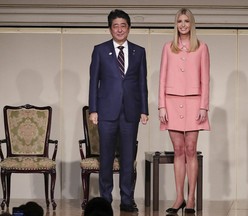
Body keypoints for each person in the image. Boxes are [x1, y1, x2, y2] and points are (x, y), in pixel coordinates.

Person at [88, 9, 149, 213]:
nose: (120, 29)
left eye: (123, 25)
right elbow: (93, 82)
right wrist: (93, 109)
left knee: (127, 158)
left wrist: (144, 110)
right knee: (105, 158)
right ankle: (105, 199)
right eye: (116, 26)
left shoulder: (139, 51)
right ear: (110, 28)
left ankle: (126, 199)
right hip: (106, 112)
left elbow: (142, 82)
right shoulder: (99, 50)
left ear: (129, 28)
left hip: (131, 112)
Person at [158, 8, 210, 214]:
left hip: (194, 103)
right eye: (179, 21)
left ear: (192, 23)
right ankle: (178, 197)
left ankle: (191, 198)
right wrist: (161, 105)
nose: (183, 24)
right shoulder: (168, 48)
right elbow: (161, 78)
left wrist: (204, 106)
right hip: (171, 102)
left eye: (186, 21)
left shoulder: (201, 48)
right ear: (175, 24)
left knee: (190, 150)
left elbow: (204, 79)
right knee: (178, 150)